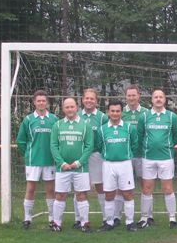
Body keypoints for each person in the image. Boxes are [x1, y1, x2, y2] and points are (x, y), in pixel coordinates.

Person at [136, 88, 177, 228]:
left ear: (165, 99)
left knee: (167, 188)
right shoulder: (144, 116)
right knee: (147, 188)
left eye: (161, 97)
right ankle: (144, 218)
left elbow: (176, 135)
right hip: (148, 157)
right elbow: (140, 135)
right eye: (156, 97)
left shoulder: (172, 117)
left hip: (166, 157)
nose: (158, 99)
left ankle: (172, 218)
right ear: (152, 100)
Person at [49, 97, 93, 232]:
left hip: (80, 168)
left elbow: (89, 146)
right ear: (63, 109)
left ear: (77, 108)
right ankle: (56, 223)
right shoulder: (57, 125)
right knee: (60, 195)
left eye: (72, 107)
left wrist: (79, 162)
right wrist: (61, 163)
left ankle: (84, 223)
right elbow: (53, 145)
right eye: (67, 107)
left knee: (81, 195)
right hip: (62, 168)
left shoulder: (85, 125)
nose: (69, 109)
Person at [16, 90, 59, 230]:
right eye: (38, 100)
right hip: (33, 161)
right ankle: (27, 218)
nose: (41, 103)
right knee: (30, 189)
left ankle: (52, 219)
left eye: (43, 100)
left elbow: (58, 139)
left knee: (50, 189)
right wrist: (28, 154)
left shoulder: (54, 119)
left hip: (50, 160)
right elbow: (21, 141)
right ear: (34, 102)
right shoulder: (28, 120)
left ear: (47, 102)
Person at [94, 100, 139, 232]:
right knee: (109, 194)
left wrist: (126, 155)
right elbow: (99, 146)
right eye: (112, 111)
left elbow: (134, 145)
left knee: (128, 193)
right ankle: (109, 221)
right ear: (108, 112)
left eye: (117, 111)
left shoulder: (129, 127)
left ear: (121, 112)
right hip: (108, 165)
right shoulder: (102, 129)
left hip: (125, 164)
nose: (115, 113)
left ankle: (130, 222)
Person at [112, 84, 147, 223]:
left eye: (134, 95)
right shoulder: (121, 112)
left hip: (140, 154)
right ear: (125, 97)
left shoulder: (145, 113)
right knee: (120, 187)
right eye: (129, 95)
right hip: (124, 157)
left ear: (138, 96)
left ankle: (146, 216)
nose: (132, 98)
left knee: (144, 184)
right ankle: (116, 216)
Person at [76, 88, 108, 228]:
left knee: (101, 186)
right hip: (80, 156)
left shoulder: (102, 117)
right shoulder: (76, 115)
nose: (89, 101)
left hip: (96, 156)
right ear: (83, 100)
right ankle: (79, 219)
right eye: (86, 98)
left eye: (92, 98)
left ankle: (106, 218)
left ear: (96, 100)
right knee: (80, 187)